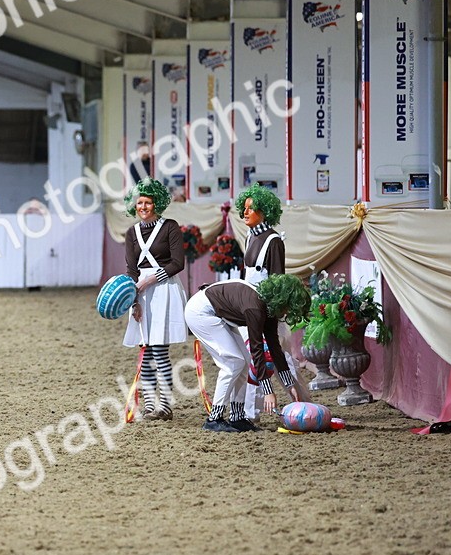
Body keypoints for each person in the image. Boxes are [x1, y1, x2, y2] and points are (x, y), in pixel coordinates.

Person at [184, 274, 310, 432]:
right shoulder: (255, 308)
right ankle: (214, 419)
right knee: (233, 363)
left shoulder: (270, 308)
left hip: (218, 313)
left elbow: (274, 349)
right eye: (288, 308)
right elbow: (257, 350)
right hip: (200, 312)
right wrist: (268, 392)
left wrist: (289, 385)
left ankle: (237, 417)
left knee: (243, 362)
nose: (287, 313)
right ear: (282, 300)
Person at [236, 184, 311, 417]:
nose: (245, 213)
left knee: (275, 355)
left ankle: (297, 398)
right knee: (252, 356)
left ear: (264, 211)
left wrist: (271, 315)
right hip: (247, 306)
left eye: (250, 209)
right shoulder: (250, 236)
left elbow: (277, 281)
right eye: (244, 209)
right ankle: (250, 408)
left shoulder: (273, 241)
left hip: (266, 309)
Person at [122, 179, 188, 420]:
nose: (143, 206)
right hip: (140, 291)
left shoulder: (170, 227)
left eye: (148, 202)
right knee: (146, 349)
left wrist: (149, 281)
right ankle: (150, 405)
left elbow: (178, 263)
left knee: (159, 348)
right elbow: (131, 269)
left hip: (164, 288)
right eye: (139, 202)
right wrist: (133, 299)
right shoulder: (131, 232)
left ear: (156, 203)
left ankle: (166, 405)